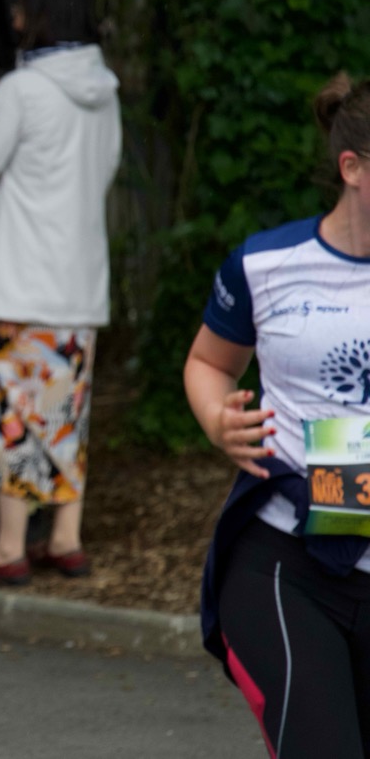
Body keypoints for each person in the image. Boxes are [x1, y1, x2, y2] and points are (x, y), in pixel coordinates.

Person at [186, 73, 370, 757]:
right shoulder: (266, 264)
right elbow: (209, 361)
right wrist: (217, 418)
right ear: (351, 168)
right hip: (285, 556)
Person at [0, 0, 120, 585]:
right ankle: (65, 538)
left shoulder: (21, 90)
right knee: (64, 412)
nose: (14, 19)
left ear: (40, 15)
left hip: (18, 285)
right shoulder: (104, 92)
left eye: (20, 9)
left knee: (12, 414)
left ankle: (9, 549)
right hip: (78, 285)